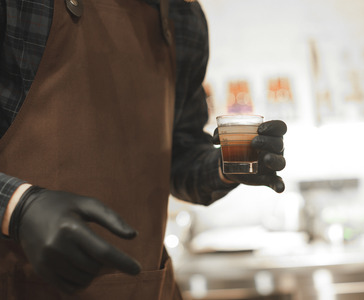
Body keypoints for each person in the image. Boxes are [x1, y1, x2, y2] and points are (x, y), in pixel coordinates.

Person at [0, 0, 287, 299]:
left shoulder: (182, 14)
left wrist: (226, 165)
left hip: (145, 287)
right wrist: (18, 207)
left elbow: (178, 157)